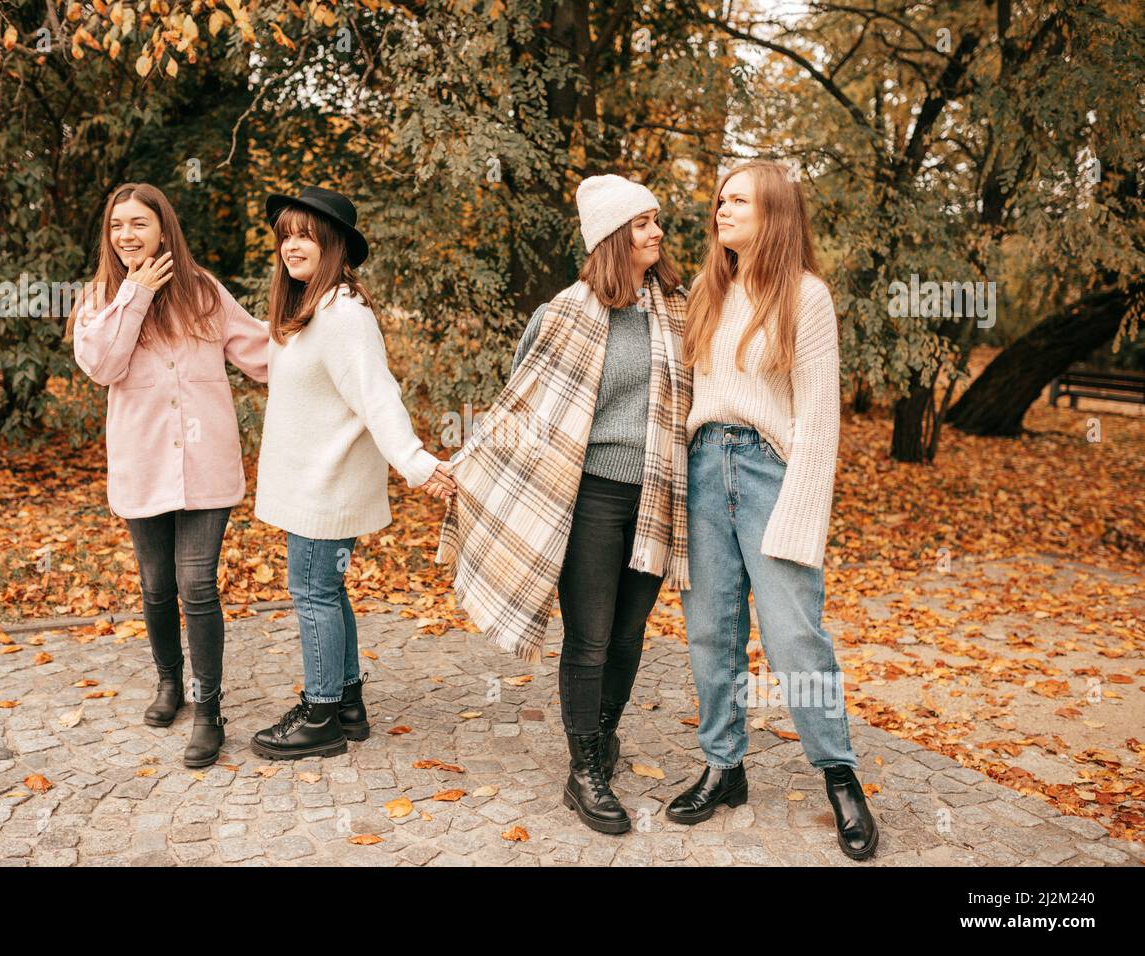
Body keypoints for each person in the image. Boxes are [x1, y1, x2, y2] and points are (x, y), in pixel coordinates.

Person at [437, 175, 691, 834]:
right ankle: (584, 771)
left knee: (631, 637)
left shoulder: (679, 306)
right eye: (642, 224)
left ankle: (603, 737)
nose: (657, 232)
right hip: (593, 497)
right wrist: (465, 463)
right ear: (612, 236)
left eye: (656, 220)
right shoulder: (564, 315)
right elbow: (523, 400)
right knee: (591, 637)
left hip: (659, 493)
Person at [670, 160, 878, 860]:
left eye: (738, 201)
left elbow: (819, 424)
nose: (721, 210)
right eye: (720, 199)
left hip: (769, 470)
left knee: (794, 637)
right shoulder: (708, 289)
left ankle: (839, 775)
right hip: (703, 469)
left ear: (775, 214)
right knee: (709, 629)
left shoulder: (806, 296)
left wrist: (800, 518)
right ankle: (723, 767)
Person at [250, 186, 455, 762]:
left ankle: (320, 716)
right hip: (306, 482)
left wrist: (416, 463)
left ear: (332, 244)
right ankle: (345, 703)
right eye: (286, 234)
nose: (292, 245)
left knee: (312, 592)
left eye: (306, 235)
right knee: (326, 590)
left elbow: (377, 396)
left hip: (326, 485)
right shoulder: (306, 311)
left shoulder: (343, 314)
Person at [68, 182, 270, 768]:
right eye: (117, 226)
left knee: (197, 586)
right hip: (144, 464)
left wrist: (317, 335)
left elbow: (258, 351)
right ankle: (168, 683)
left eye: (139, 224)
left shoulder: (203, 289)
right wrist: (134, 294)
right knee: (156, 585)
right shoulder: (100, 298)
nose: (127, 235)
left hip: (205, 466)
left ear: (163, 229)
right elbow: (102, 366)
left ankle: (208, 711)